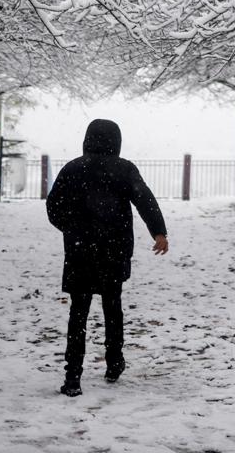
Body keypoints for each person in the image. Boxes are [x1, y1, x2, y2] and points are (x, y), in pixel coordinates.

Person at [44, 118, 168, 396]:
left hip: (79, 250)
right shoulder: (124, 169)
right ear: (116, 141)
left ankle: (73, 376)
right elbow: (144, 199)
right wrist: (158, 232)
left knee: (78, 312)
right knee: (113, 307)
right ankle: (114, 361)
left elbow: (54, 205)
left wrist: (71, 227)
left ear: (87, 139)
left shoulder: (73, 168)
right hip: (115, 249)